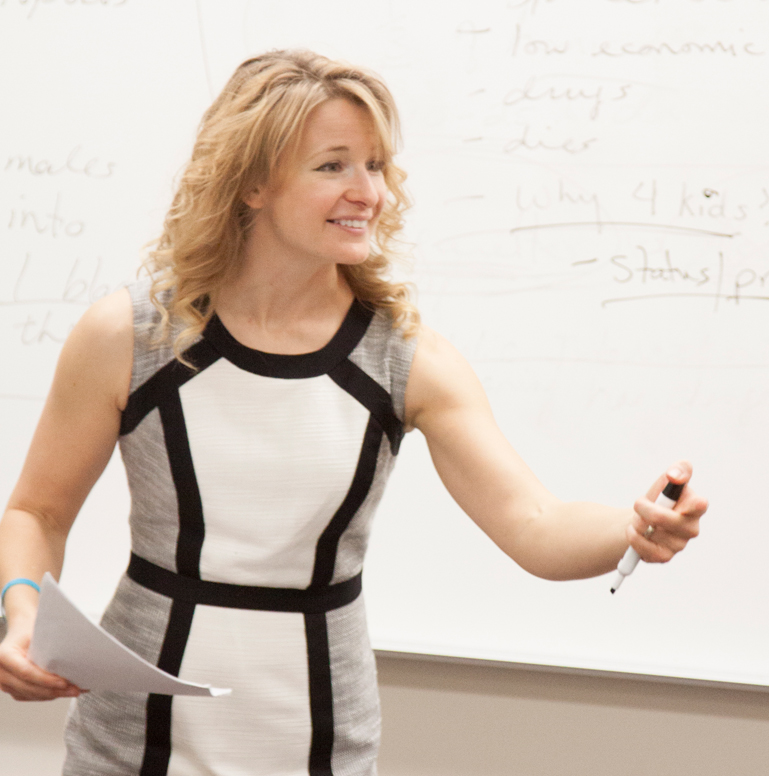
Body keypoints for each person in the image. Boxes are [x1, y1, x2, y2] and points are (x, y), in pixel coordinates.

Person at [0, 50, 707, 775]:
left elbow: (535, 527)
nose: (368, 190)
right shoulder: (130, 336)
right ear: (251, 184)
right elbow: (38, 513)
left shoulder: (407, 361)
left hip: (319, 744)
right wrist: (22, 613)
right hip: (128, 746)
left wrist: (631, 528)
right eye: (333, 165)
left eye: (375, 164)